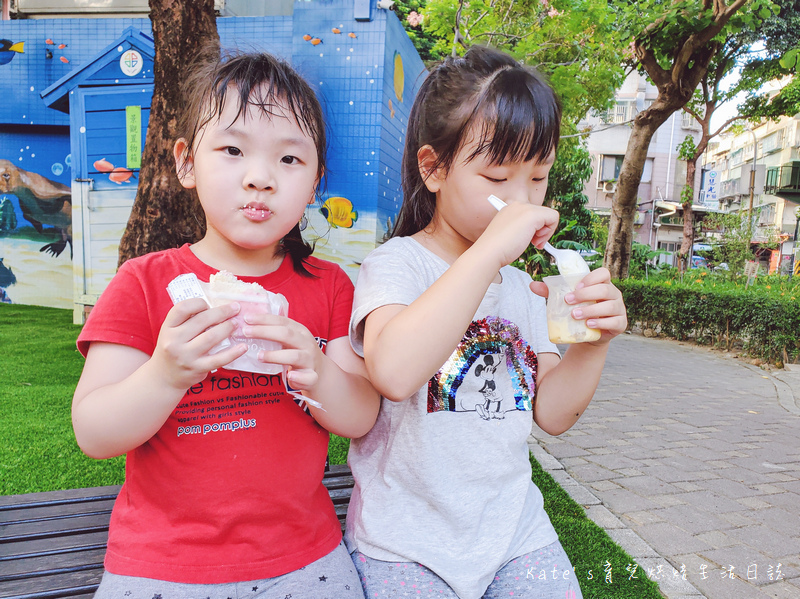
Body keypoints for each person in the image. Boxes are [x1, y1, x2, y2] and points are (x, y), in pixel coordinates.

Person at [72, 50, 379, 598]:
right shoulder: (144, 283)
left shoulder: (329, 286)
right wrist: (165, 374)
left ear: (316, 182)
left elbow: (359, 420)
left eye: (290, 160)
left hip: (302, 556)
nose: (260, 179)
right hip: (161, 561)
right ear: (187, 163)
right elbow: (94, 432)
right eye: (233, 150)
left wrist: (316, 371)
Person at [345, 45, 628, 599]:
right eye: (498, 177)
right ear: (434, 168)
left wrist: (594, 345)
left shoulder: (522, 289)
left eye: (538, 178)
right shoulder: (397, 265)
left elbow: (552, 414)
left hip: (514, 535)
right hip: (407, 543)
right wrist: (491, 253)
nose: (523, 200)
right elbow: (394, 372)